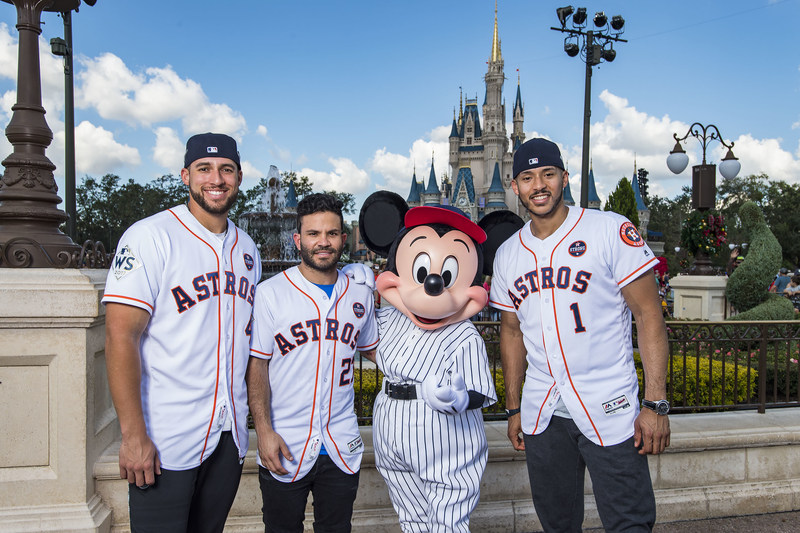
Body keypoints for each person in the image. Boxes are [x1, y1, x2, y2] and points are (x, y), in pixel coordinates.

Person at [488, 138, 670, 532]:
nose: (539, 185)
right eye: (527, 177)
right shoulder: (507, 255)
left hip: (611, 406)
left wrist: (655, 404)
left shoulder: (609, 229)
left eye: (548, 174)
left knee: (630, 522)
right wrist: (515, 407)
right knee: (557, 524)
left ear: (564, 178)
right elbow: (512, 332)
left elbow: (649, 316)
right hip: (543, 413)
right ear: (514, 185)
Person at [103, 133, 261, 532]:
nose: (216, 179)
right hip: (165, 438)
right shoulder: (149, 236)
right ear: (185, 175)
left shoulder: (248, 248)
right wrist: (133, 436)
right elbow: (121, 337)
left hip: (228, 435)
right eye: (204, 169)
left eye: (226, 169)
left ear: (239, 177)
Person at [247, 193, 379, 532]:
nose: (323, 242)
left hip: (340, 443)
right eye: (313, 234)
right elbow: (257, 366)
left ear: (343, 238)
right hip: (285, 442)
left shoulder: (360, 292)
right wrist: (263, 431)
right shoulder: (271, 293)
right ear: (298, 240)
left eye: (332, 234)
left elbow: (375, 351)